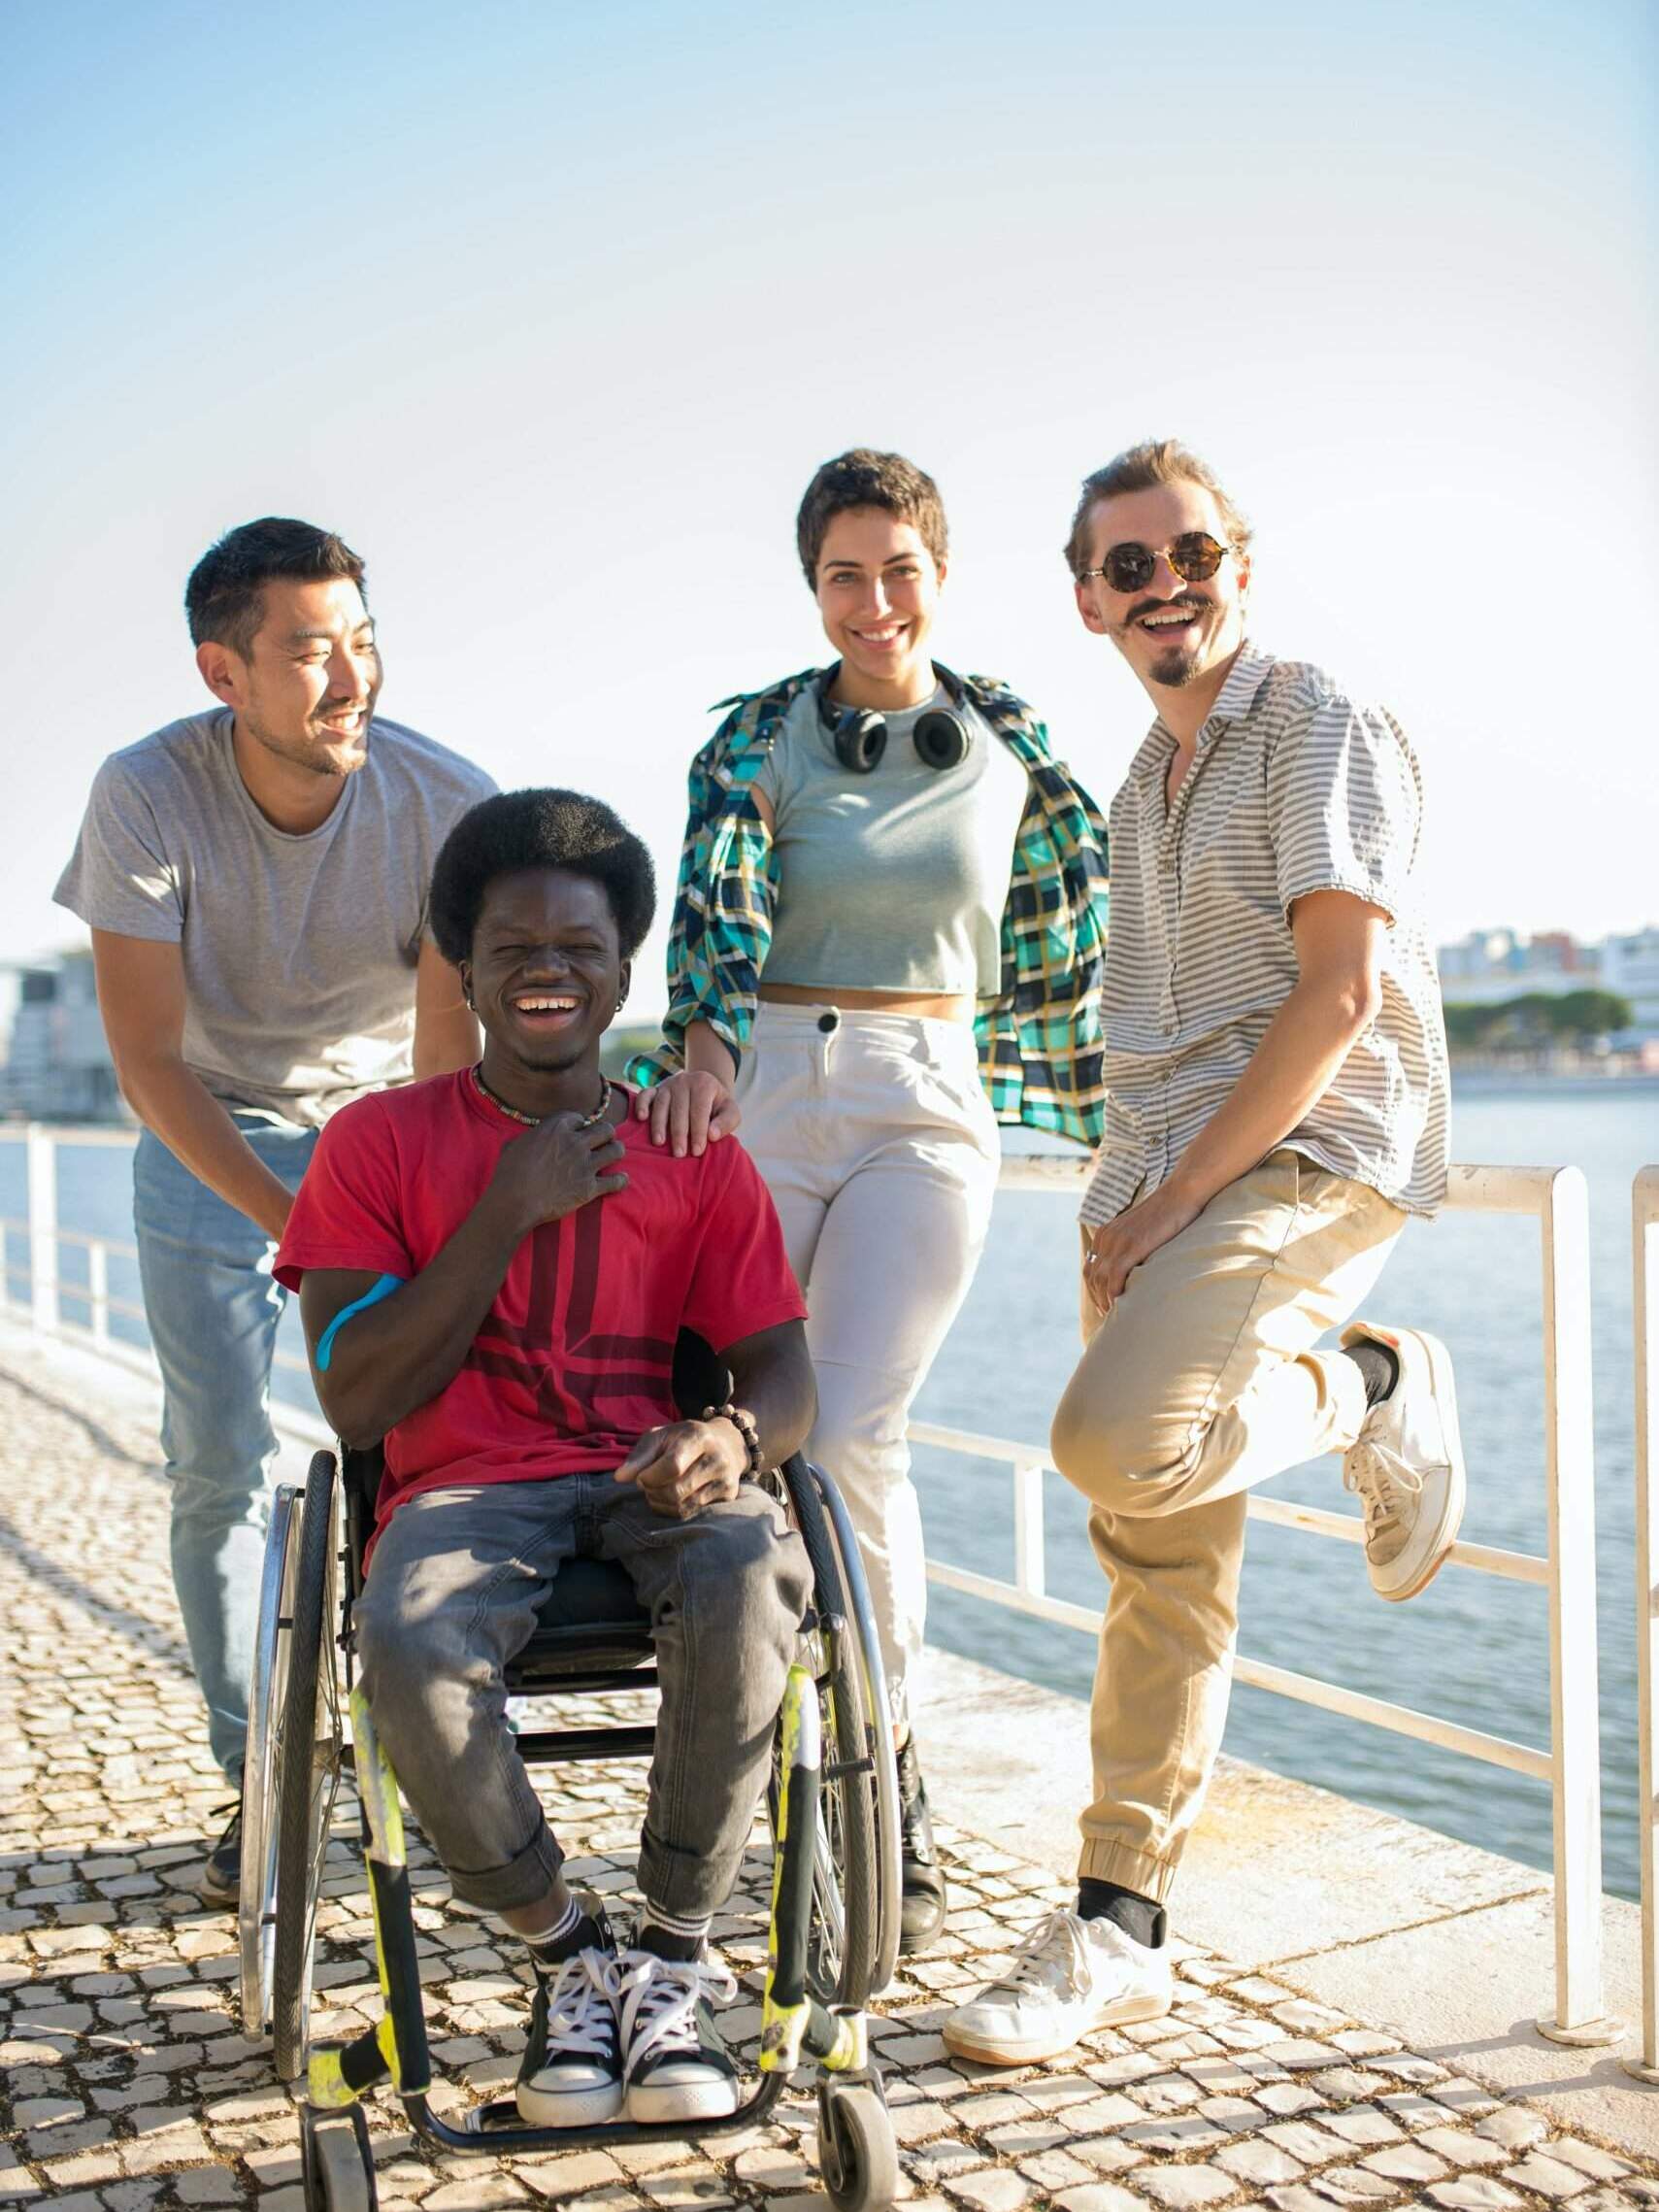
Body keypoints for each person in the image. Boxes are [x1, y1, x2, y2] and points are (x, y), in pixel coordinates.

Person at [944, 439, 1461, 2065]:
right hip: (1176, 1174)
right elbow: (1149, 1042)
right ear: (1088, 602)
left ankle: (1373, 1382)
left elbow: (1333, 998)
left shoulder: (1315, 721)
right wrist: (1120, 1196)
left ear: (1240, 560)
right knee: (1150, 1537)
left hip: (1308, 1160)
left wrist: (1171, 1206)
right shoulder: (1132, 791)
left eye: (1190, 553)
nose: (1163, 584)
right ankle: (1119, 1920)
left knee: (1114, 1441)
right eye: (1126, 566)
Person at [274, 788, 815, 2127]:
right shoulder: (376, 1143)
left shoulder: (690, 1150)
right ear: (465, 967)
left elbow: (790, 1374)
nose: (546, 973)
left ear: (622, 968)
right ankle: (567, 1951)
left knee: (753, 1552)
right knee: (398, 1636)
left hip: (647, 1473)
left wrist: (732, 1434)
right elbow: (355, 1393)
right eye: (512, 948)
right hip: (463, 1489)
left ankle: (671, 1959)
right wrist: (507, 1206)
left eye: (577, 947)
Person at [630, 449, 1108, 1951]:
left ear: (940, 573)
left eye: (899, 567)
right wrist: (698, 1044)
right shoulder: (755, 738)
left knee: (857, 1427)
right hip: (767, 1079)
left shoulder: (1011, 735)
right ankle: (776, 1745)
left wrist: (1138, 1110)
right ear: (812, 586)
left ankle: (881, 1758)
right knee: (766, 1426)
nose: (874, 598)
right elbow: (711, 904)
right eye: (845, 572)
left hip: (929, 1087)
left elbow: (1092, 919)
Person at [54, 519, 497, 1903]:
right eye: (310, 652)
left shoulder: (443, 801)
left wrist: (383, 1215)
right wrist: (281, 1214)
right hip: (207, 1132)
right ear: (224, 673)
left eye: (363, 642)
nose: (350, 678)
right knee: (218, 1464)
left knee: (415, 1448)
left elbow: (444, 1059)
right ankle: (262, 1783)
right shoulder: (144, 794)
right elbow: (146, 1060)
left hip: (379, 1130)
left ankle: (415, 1749)